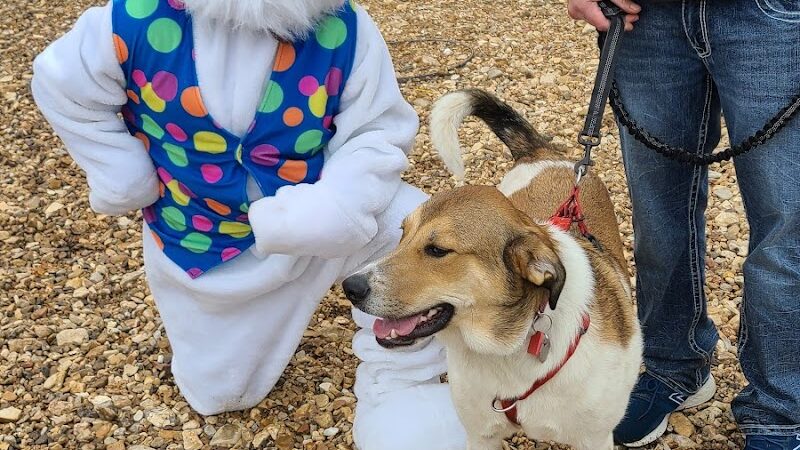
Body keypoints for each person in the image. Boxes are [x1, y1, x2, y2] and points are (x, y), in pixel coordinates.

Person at [31, 1, 467, 449]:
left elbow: (376, 128)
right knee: (222, 394)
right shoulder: (129, 22)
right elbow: (61, 84)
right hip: (205, 241)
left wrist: (337, 205)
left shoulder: (345, 28)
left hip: (326, 217)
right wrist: (120, 171)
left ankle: (404, 380)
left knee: (411, 230)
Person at [567, 0, 800, 448]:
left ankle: (783, 410)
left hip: (773, 15)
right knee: (656, 217)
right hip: (645, 18)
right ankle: (672, 366)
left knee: (785, 227)